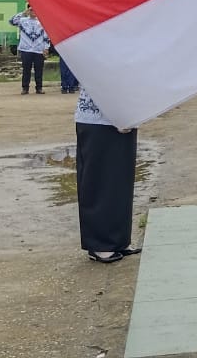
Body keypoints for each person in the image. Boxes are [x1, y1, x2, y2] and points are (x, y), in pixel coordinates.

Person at [74, 87, 142, 263]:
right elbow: (99, 82)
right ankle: (99, 244)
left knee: (119, 181)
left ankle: (118, 240)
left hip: (124, 118)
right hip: (98, 120)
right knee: (99, 180)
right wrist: (115, 115)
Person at [10, 5, 50, 95]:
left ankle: (39, 88)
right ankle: (25, 88)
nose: (33, 12)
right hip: (26, 49)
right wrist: (23, 13)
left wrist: (46, 48)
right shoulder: (23, 20)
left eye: (35, 10)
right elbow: (12, 21)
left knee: (39, 69)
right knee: (26, 70)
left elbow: (46, 35)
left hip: (38, 49)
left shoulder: (42, 21)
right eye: (31, 10)